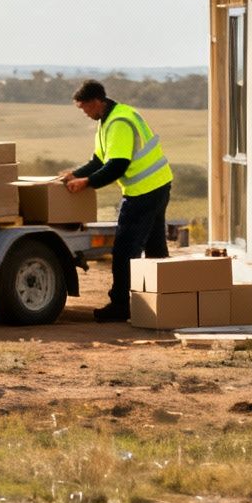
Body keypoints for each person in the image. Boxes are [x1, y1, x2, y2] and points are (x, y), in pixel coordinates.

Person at [59, 79, 173, 322]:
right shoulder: (109, 119)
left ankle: (120, 305)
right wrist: (76, 174)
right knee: (155, 247)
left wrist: (87, 183)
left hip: (144, 192)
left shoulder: (119, 123)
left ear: (97, 101)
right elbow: (99, 160)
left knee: (124, 250)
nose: (85, 113)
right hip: (157, 185)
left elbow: (117, 166)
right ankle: (165, 299)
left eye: (85, 108)